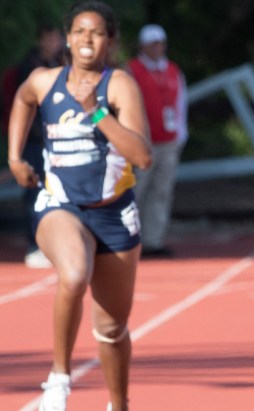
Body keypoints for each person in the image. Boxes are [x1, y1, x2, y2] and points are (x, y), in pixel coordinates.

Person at [6, 1, 151, 410]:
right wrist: (16, 158)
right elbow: (22, 99)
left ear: (110, 41)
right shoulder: (44, 80)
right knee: (73, 273)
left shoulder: (118, 84)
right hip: (60, 204)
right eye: (80, 31)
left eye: (97, 32)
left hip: (114, 213)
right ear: (68, 38)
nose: (88, 39)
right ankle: (58, 377)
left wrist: (95, 112)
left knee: (111, 329)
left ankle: (118, 403)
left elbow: (142, 156)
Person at [1, 23, 65, 268]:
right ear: (40, 40)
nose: (52, 43)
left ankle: (57, 244)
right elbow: (22, 106)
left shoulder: (65, 65)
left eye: (55, 38)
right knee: (35, 193)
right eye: (47, 38)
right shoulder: (29, 69)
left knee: (60, 192)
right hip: (36, 142)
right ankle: (36, 244)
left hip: (60, 140)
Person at [127, 24, 187, 258]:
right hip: (142, 141)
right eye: (153, 44)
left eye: (161, 43)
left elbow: (181, 103)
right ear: (143, 46)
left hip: (168, 140)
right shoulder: (132, 70)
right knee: (136, 190)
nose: (158, 48)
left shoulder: (172, 69)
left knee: (161, 192)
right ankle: (129, 239)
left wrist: (181, 135)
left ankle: (153, 239)